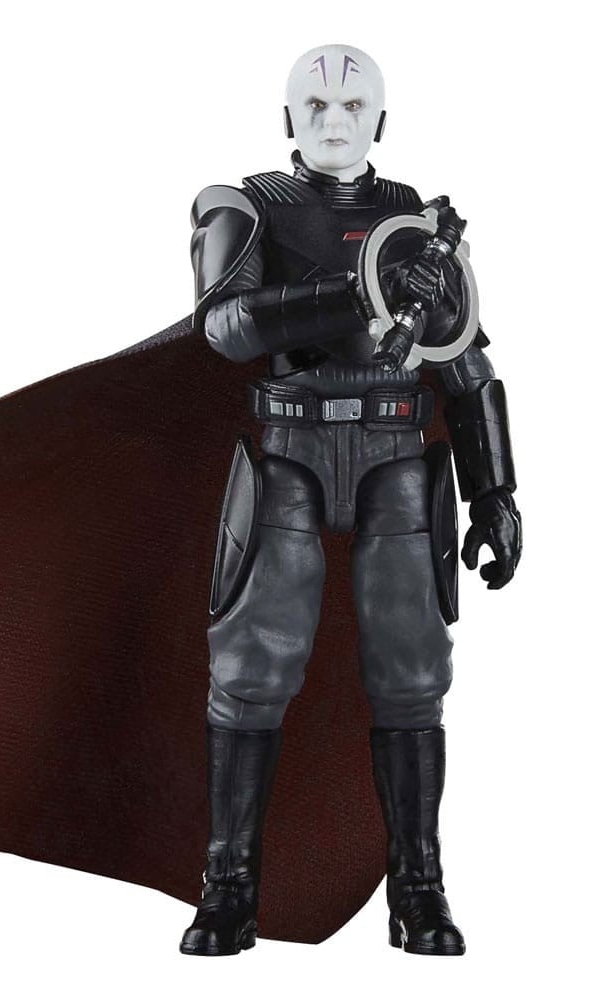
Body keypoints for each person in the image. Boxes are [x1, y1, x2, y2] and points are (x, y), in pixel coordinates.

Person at [179, 43, 521, 958]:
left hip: (395, 448)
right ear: (288, 119)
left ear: (381, 120)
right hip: (289, 447)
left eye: (354, 106)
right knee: (251, 668)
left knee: (413, 674)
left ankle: (419, 890)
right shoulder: (246, 206)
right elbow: (226, 325)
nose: (335, 121)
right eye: (317, 106)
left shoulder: (413, 222)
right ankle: (228, 890)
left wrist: (495, 489)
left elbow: (466, 360)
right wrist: (359, 291)